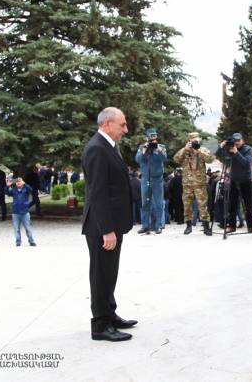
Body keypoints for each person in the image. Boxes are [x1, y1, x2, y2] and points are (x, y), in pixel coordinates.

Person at [81, 107, 136, 342]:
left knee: (110, 272)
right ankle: (100, 325)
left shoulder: (108, 146)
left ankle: (109, 314)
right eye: (122, 125)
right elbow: (98, 193)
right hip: (102, 227)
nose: (125, 129)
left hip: (112, 224)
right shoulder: (96, 149)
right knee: (101, 274)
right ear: (106, 124)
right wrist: (107, 230)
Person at [174, 132, 216, 235]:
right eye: (193, 141)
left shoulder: (202, 150)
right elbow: (176, 159)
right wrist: (184, 149)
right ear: (189, 141)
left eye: (196, 140)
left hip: (200, 184)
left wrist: (199, 151)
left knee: (203, 205)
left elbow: (210, 159)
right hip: (187, 184)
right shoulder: (185, 151)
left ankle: (206, 227)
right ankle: (188, 226)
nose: (195, 142)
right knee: (187, 205)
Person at [215, 132, 252, 234]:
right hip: (233, 180)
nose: (237, 142)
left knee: (248, 205)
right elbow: (218, 156)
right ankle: (231, 226)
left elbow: (246, 163)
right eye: (235, 141)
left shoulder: (248, 149)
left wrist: (236, 152)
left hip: (245, 180)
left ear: (242, 140)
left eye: (239, 140)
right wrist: (220, 148)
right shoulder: (229, 148)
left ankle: (251, 227)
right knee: (232, 205)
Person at [136, 128, 166, 235]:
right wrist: (144, 150)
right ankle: (145, 226)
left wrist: (158, 150)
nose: (153, 138)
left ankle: (158, 226)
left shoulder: (161, 147)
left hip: (157, 180)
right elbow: (138, 159)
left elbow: (164, 158)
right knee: (145, 204)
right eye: (151, 136)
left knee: (158, 204)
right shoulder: (142, 147)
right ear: (147, 137)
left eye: (155, 136)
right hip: (145, 179)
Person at [5, 177, 37, 247]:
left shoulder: (25, 189)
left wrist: (25, 184)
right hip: (15, 212)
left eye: (20, 181)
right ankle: (18, 241)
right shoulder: (14, 190)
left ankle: (31, 241)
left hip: (25, 212)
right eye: (17, 182)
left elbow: (31, 190)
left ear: (22, 182)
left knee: (28, 228)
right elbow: (6, 192)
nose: (18, 183)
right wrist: (7, 186)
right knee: (16, 228)